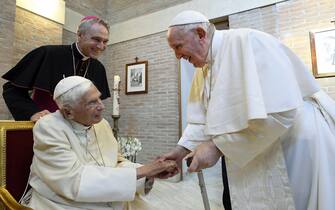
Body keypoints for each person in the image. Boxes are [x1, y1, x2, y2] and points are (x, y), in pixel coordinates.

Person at [161, 10, 335, 210]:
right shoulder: (204, 69)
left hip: (293, 147)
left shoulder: (248, 42)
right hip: (250, 153)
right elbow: (200, 121)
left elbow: (281, 112)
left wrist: (218, 147)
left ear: (200, 34)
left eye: (178, 46)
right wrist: (180, 151)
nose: (177, 56)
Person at [24, 76, 178, 210]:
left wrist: (149, 173)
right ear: (68, 112)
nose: (102, 106)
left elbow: (116, 162)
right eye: (92, 102)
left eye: (99, 98)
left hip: (107, 199)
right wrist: (142, 172)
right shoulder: (49, 127)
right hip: (62, 202)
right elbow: (72, 181)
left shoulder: (101, 124)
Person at [2, 16, 110, 122]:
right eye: (96, 39)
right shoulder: (48, 53)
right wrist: (32, 112)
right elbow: (11, 90)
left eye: (105, 42)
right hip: (46, 128)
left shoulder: (99, 68)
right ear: (80, 35)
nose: (101, 46)